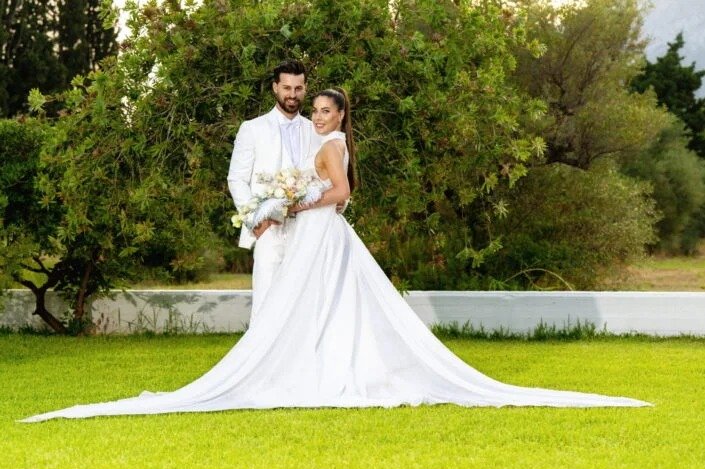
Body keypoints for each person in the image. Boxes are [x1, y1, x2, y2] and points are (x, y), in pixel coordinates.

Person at [19, 88, 651, 423]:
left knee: (317, 300)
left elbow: (342, 194)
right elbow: (332, 189)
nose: (316, 114)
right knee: (320, 302)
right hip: (315, 231)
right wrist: (289, 202)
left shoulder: (329, 144)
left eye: (324, 108)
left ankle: (313, 368)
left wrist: (296, 205)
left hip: (319, 229)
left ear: (340, 113)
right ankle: (311, 363)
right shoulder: (324, 141)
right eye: (312, 107)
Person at [227, 59, 318, 319]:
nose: (293, 94)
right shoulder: (252, 129)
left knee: (305, 302)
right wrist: (256, 220)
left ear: (305, 88)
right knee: (266, 303)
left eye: (298, 88)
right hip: (269, 228)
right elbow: (236, 179)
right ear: (275, 87)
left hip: (308, 228)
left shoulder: (315, 130)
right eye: (287, 88)